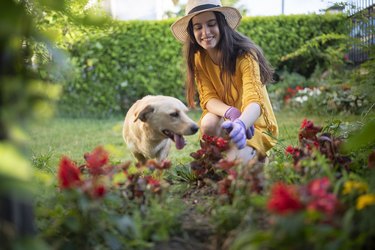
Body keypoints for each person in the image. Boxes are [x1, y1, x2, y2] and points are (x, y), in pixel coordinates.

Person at [170, 0, 278, 164]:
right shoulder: (199, 58)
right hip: (226, 117)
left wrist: (241, 123)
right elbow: (208, 98)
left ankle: (254, 154)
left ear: (221, 24)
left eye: (211, 24)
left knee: (235, 164)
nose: (205, 32)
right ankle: (223, 156)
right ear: (192, 32)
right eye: (198, 27)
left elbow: (255, 101)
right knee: (208, 123)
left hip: (251, 124)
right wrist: (231, 113)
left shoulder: (246, 55)